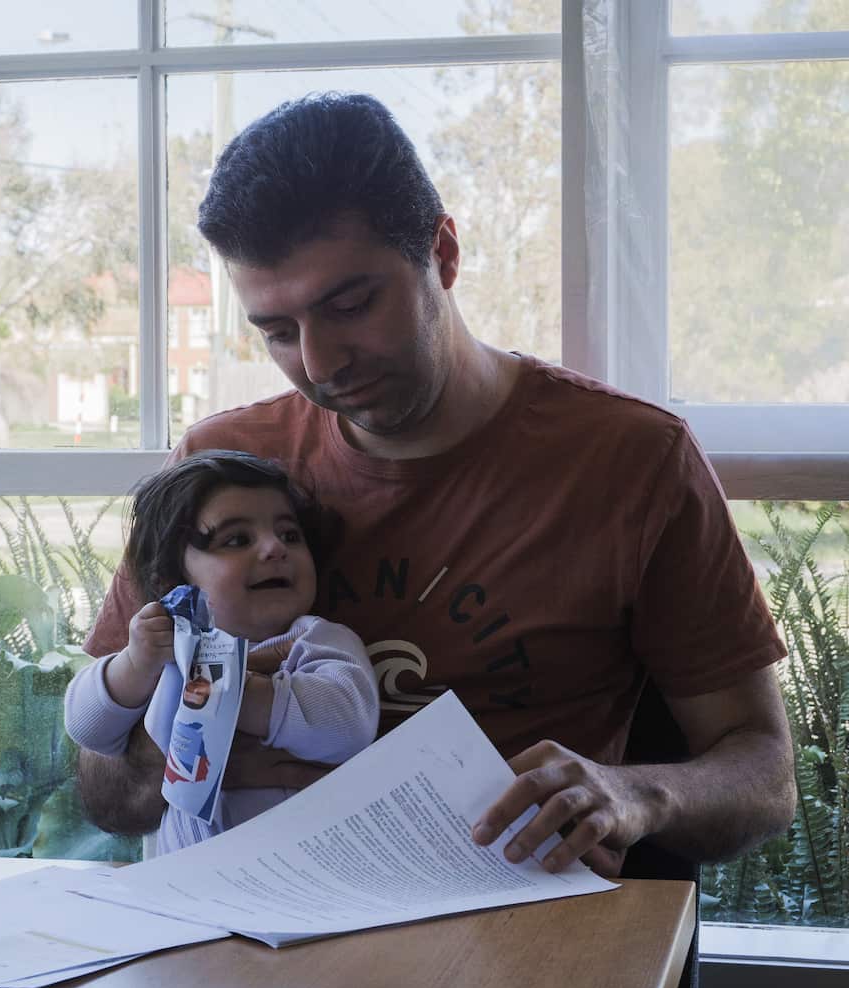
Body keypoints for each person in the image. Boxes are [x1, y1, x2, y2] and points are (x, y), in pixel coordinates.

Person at [77, 92, 797, 877]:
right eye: (277, 333)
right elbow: (105, 790)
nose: (319, 365)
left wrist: (633, 796)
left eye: (350, 306)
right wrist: (185, 761)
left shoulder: (630, 460)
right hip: (253, 932)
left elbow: (764, 778)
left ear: (443, 254)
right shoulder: (223, 466)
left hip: (507, 929)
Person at [64, 450, 378, 854]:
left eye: (290, 535)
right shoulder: (165, 649)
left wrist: (227, 692)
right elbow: (87, 727)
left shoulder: (315, 639)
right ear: (172, 580)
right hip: (184, 888)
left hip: (300, 880)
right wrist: (133, 666)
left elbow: (348, 724)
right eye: (237, 540)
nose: (274, 548)